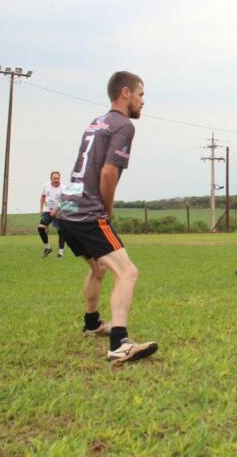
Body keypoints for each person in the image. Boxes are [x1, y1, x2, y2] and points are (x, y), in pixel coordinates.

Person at [56, 71, 158, 364]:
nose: (142, 101)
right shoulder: (124, 125)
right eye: (140, 94)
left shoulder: (95, 123)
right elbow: (108, 172)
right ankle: (120, 343)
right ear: (125, 93)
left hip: (67, 209)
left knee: (98, 267)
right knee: (128, 272)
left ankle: (91, 324)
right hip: (88, 212)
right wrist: (106, 208)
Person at [38, 171, 66, 258]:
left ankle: (60, 252)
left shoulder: (63, 188)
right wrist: (41, 208)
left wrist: (56, 209)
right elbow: (43, 196)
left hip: (60, 211)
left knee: (61, 231)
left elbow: (64, 201)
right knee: (40, 227)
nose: (56, 180)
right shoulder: (46, 185)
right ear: (51, 179)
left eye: (58, 178)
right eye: (54, 178)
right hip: (48, 211)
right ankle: (47, 248)